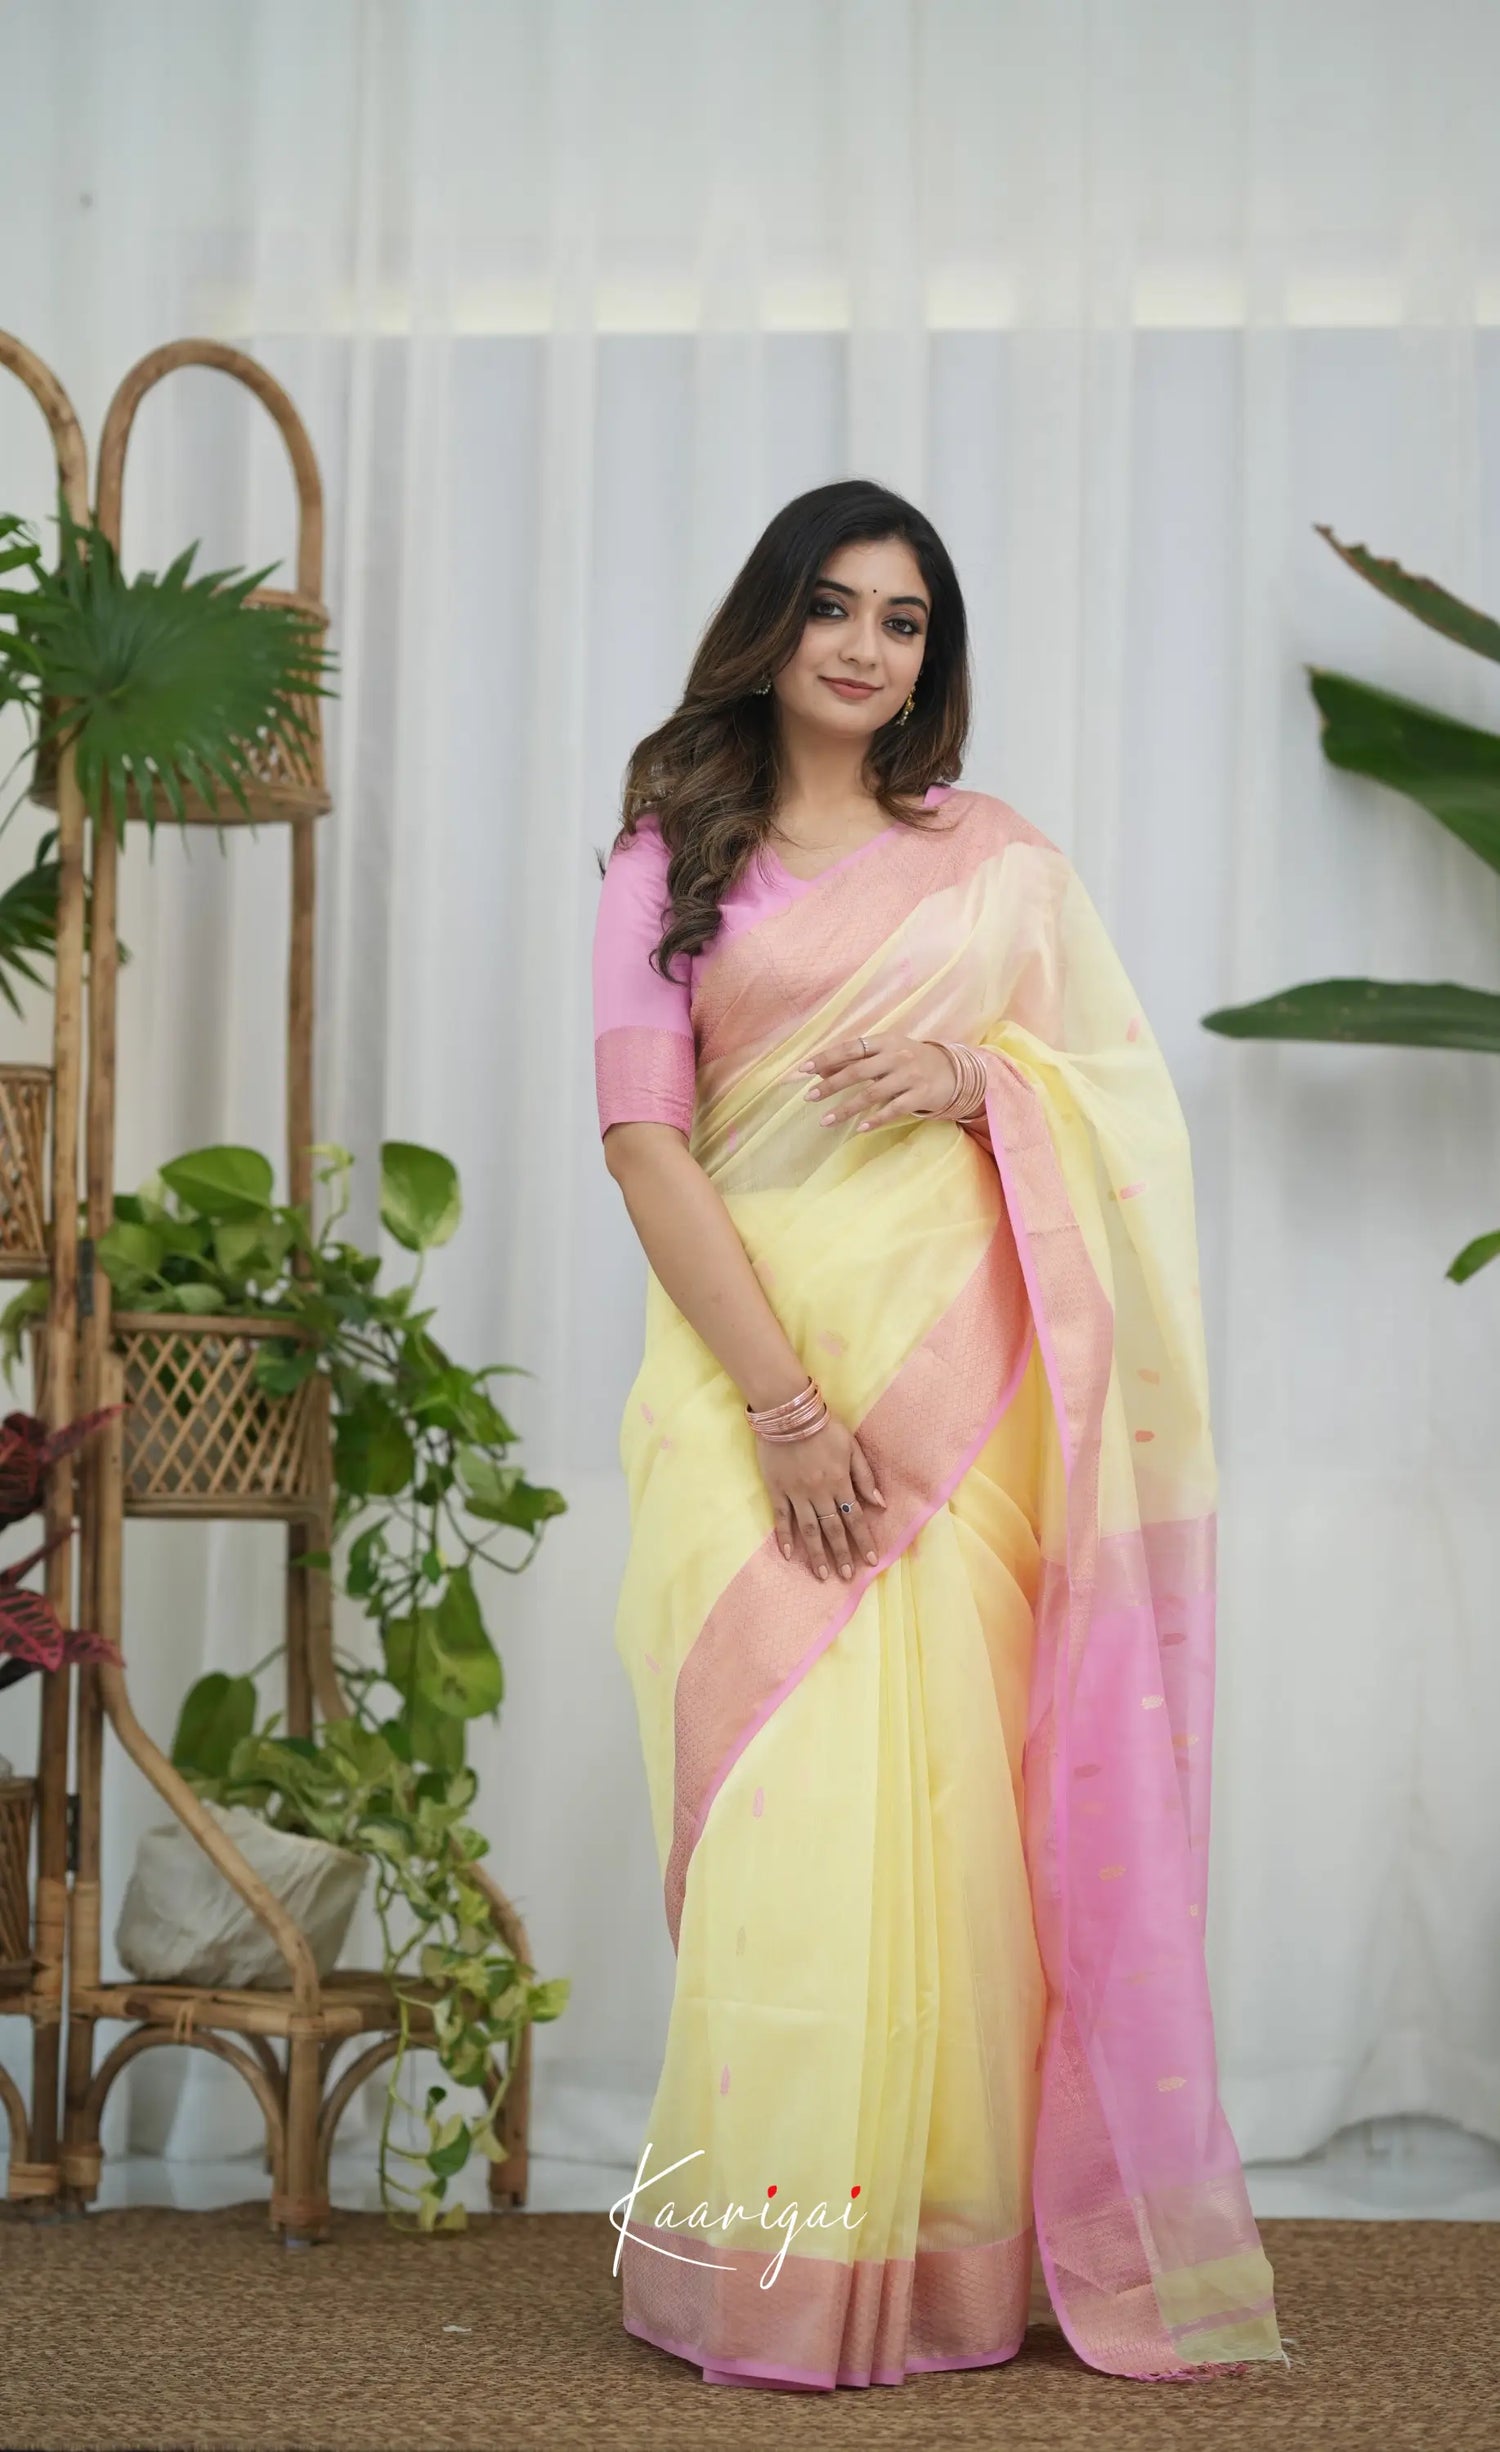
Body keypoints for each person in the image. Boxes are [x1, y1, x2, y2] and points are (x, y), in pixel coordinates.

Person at [591, 477, 1284, 2394]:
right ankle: (779, 2255)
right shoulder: (671, 852)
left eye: (902, 621)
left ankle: (945, 2259)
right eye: (832, 606)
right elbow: (645, 1143)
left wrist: (980, 1076)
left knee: (954, 1829)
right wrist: (785, 1409)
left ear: (931, 658)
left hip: (960, 1412)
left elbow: (1121, 1101)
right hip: (748, 1387)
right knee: (792, 1826)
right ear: (771, 624)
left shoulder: (996, 863)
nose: (863, 647)